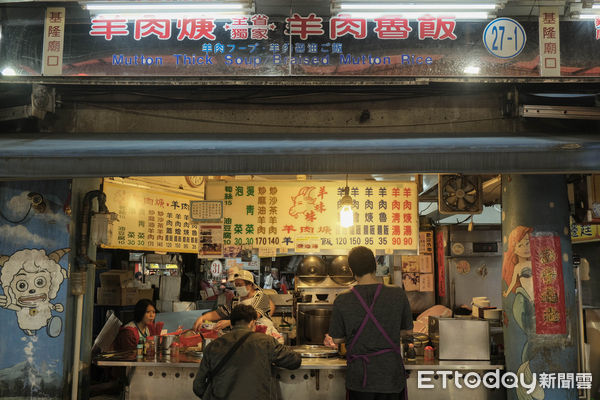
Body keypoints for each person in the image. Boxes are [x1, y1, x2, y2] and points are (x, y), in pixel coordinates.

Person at [324, 246, 413, 400]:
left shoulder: (343, 299)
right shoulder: (397, 294)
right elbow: (408, 332)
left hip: (361, 378)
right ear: (375, 266)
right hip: (390, 376)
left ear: (352, 271)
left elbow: (337, 339)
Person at [193, 304, 301, 400]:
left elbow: (198, 386)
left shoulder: (213, 346)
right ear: (252, 322)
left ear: (231, 324)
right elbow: (294, 361)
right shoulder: (265, 341)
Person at [193, 269, 276, 332]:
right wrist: (202, 318)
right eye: (236, 285)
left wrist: (230, 322)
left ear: (250, 284)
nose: (238, 288)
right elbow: (220, 313)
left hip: (264, 334)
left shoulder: (261, 297)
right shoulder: (236, 300)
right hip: (244, 335)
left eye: (240, 285)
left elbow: (254, 316)